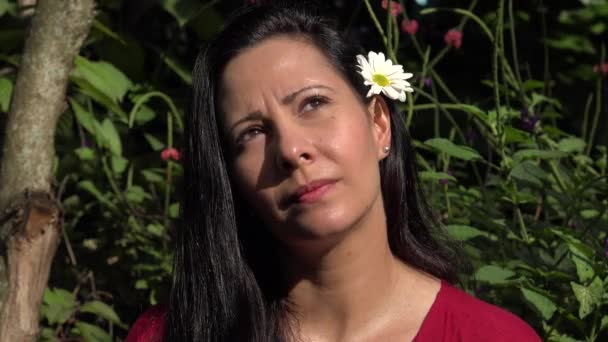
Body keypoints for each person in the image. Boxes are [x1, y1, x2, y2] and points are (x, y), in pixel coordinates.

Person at [126, 1, 542, 341]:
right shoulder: (171, 334)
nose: (290, 150)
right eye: (251, 132)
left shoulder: (493, 336)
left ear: (379, 124)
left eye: (312, 104)